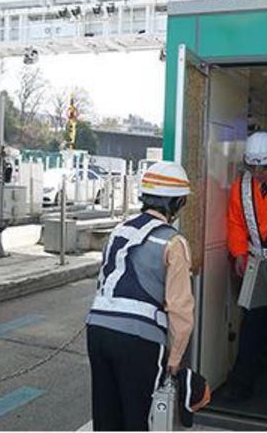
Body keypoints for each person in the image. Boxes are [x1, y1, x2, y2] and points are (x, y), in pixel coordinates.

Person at [85, 161, 195, 431]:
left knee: (106, 418)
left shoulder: (119, 230)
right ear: (177, 203)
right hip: (139, 340)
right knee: (138, 419)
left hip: (97, 331)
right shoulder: (174, 242)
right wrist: (175, 360)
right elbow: (180, 309)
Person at [225, 131, 267, 402]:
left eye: (263, 168)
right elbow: (235, 222)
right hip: (254, 263)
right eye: (253, 168)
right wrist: (239, 254)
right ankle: (242, 385)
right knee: (251, 326)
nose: (258, 173)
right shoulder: (241, 185)